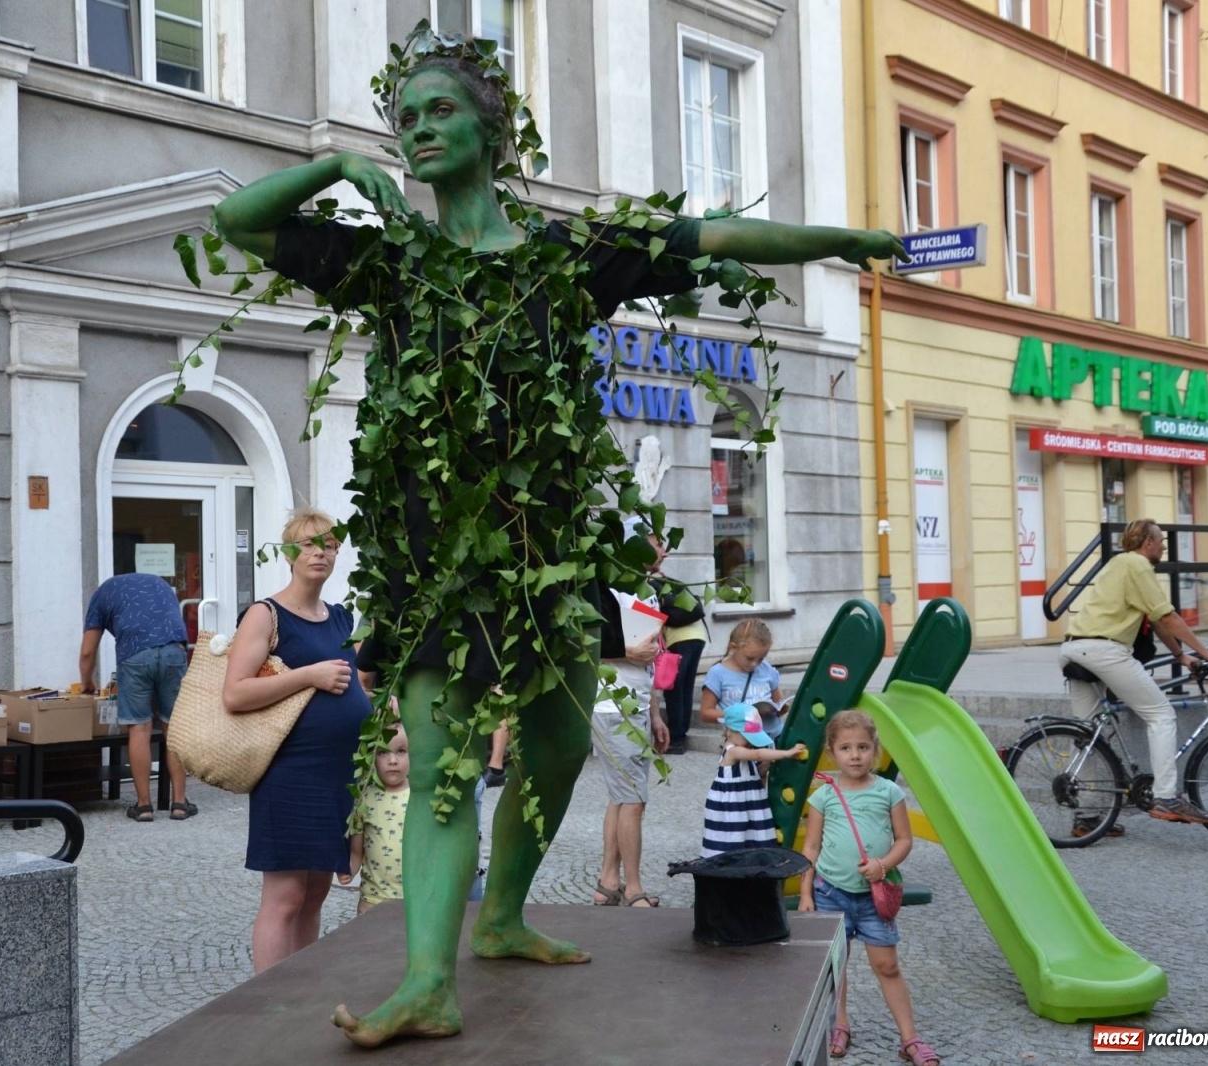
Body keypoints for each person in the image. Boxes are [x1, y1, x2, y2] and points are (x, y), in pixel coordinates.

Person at [211, 30, 902, 1045]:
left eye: (441, 111)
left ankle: (500, 917)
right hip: (436, 568)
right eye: (406, 118)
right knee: (444, 769)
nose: (418, 130)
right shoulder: (389, 263)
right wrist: (337, 165)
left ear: (493, 131)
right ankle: (427, 980)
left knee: (559, 744)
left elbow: (711, 237)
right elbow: (236, 221)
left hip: (549, 565)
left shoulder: (562, 258)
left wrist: (841, 240)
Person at [224, 508, 371, 973]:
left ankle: (300, 991)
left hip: (337, 773)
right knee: (286, 894)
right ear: (288, 554)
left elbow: (358, 682)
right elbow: (235, 693)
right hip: (290, 771)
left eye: (329, 545)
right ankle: (269, 1000)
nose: (319, 553)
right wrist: (309, 675)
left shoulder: (341, 617)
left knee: (316, 892)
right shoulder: (265, 614)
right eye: (308, 545)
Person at [1057, 518, 1208, 825]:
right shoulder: (1138, 565)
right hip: (1104, 650)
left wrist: (1181, 656)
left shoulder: (1117, 564)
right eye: (1161, 540)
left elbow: (1157, 620)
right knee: (1161, 715)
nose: (1164, 546)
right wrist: (1207, 654)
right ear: (1147, 543)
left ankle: (1087, 817)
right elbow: (1169, 616)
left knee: (1088, 734)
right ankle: (1166, 797)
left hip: (1074, 648)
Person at [798, 710, 936, 1066]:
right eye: (846, 748)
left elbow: (904, 840)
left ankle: (909, 1038)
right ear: (832, 752)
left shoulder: (889, 792)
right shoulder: (823, 797)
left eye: (863, 747)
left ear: (875, 749)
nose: (855, 755)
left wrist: (883, 865)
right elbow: (810, 848)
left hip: (875, 898)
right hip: (831, 893)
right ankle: (839, 1025)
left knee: (887, 965)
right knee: (836, 967)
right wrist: (806, 893)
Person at [79, 571, 193, 822]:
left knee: (139, 728)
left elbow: (88, 652)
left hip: (135, 655)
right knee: (174, 727)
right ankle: (179, 803)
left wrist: (86, 682)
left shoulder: (101, 595)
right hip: (174, 650)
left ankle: (143, 807)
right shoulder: (160, 584)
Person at [590, 583, 668, 907]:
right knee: (633, 801)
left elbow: (649, 663)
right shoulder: (604, 587)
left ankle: (608, 882)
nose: (663, 556)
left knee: (622, 798)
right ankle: (633, 889)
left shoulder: (648, 589)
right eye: (657, 555)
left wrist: (655, 714)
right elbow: (582, 646)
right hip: (612, 708)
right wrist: (628, 653)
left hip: (636, 706)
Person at [700, 702, 805, 856]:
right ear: (730, 732)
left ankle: (752, 859)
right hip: (732, 807)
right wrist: (787, 753)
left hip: (747, 803)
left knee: (751, 835)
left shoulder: (743, 750)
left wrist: (766, 767)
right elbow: (758, 755)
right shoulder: (733, 751)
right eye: (747, 737)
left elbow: (752, 774)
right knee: (732, 839)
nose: (750, 742)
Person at [341, 724, 411, 915]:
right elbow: (357, 851)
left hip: (414, 902)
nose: (392, 761)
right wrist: (348, 870)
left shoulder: (420, 799)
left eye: (401, 751)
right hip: (373, 900)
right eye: (383, 752)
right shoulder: (363, 798)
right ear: (371, 757)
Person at [699, 619, 786, 742]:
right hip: (743, 742)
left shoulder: (767, 669)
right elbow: (706, 713)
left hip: (775, 736)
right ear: (734, 648)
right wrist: (737, 716)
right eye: (749, 658)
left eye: (761, 659)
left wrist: (781, 709)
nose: (754, 664)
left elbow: (778, 702)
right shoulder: (717, 673)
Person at [656, 567, 708, 754]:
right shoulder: (670, 582)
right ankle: (681, 734)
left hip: (678, 639)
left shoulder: (649, 586)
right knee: (686, 687)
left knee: (674, 690)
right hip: (698, 635)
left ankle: (676, 739)